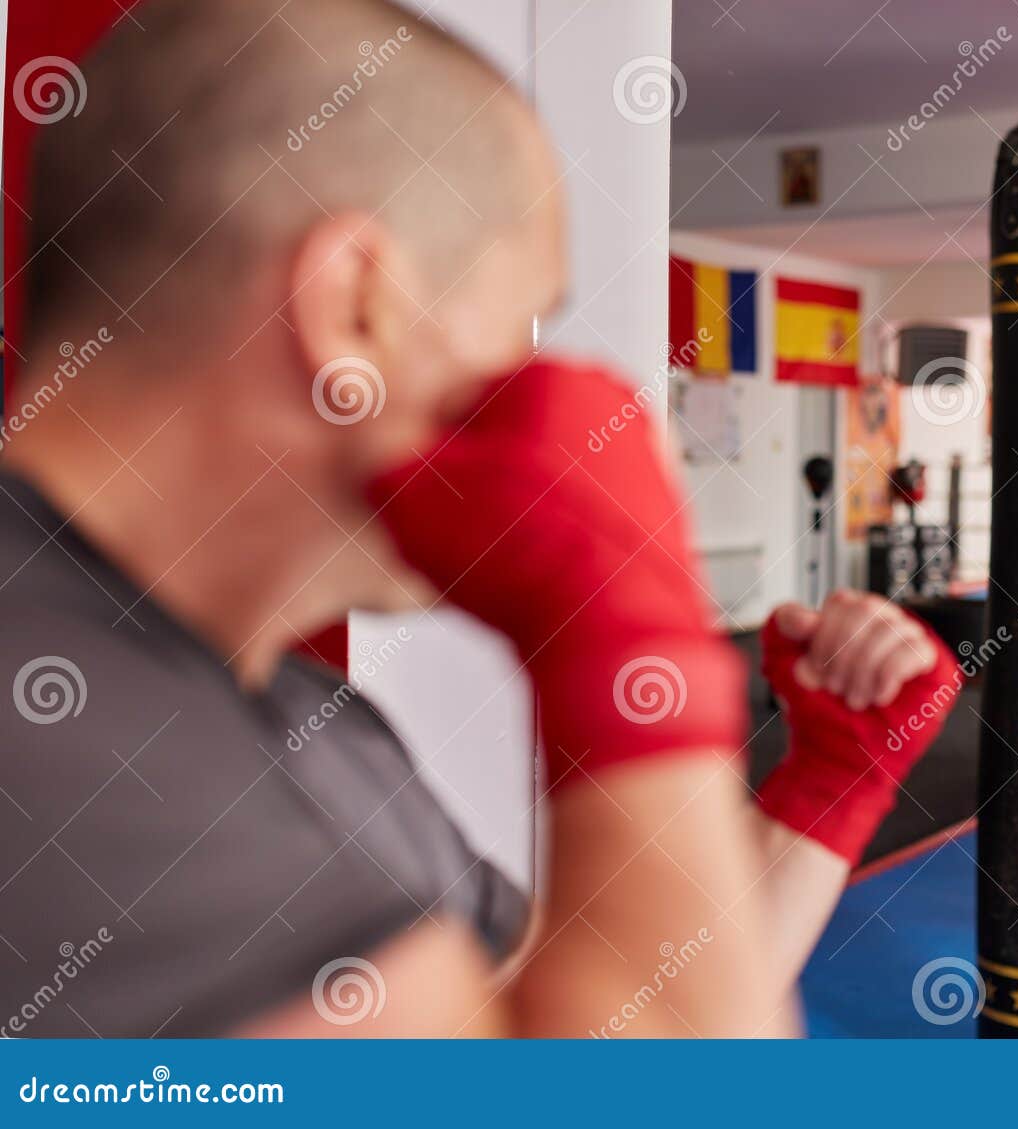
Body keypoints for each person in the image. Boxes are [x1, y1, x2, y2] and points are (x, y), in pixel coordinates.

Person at [0, 0, 958, 1037]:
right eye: (515, 323)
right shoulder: (91, 756)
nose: (531, 379)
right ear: (355, 306)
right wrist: (631, 636)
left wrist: (828, 788)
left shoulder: (314, 727)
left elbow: (611, 1022)